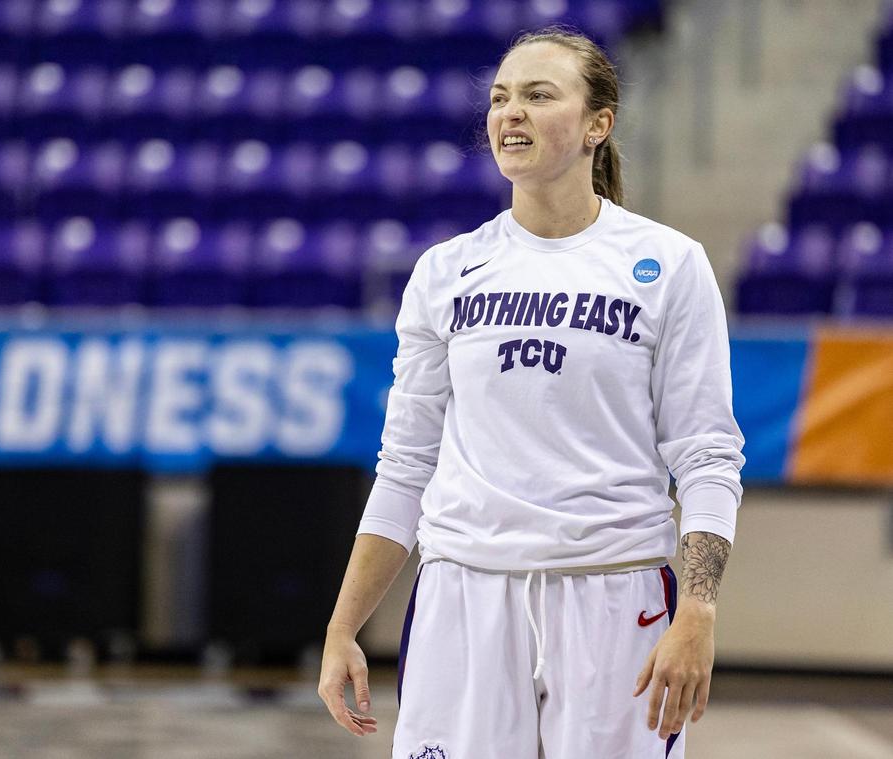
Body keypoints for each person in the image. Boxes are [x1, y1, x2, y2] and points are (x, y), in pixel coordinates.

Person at [317, 26, 745, 759]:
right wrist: (342, 626)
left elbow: (707, 454)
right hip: (464, 595)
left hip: (615, 595)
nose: (509, 113)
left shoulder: (669, 265)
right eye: (499, 98)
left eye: (538, 95)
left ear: (596, 125)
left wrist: (698, 608)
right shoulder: (446, 271)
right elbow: (406, 464)